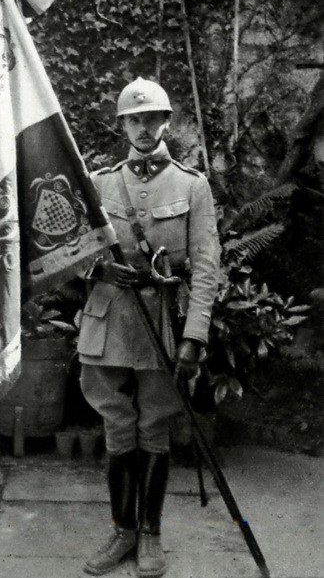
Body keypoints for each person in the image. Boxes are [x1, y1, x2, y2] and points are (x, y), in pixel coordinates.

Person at [78, 77, 220, 577]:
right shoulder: (99, 184)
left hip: (161, 320)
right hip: (108, 321)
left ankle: (152, 536)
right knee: (117, 427)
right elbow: (69, 254)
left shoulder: (191, 186)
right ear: (122, 125)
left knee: (153, 427)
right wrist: (97, 269)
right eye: (133, 119)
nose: (143, 127)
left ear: (167, 122)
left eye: (152, 118)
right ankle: (123, 531)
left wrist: (194, 337)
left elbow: (205, 268)